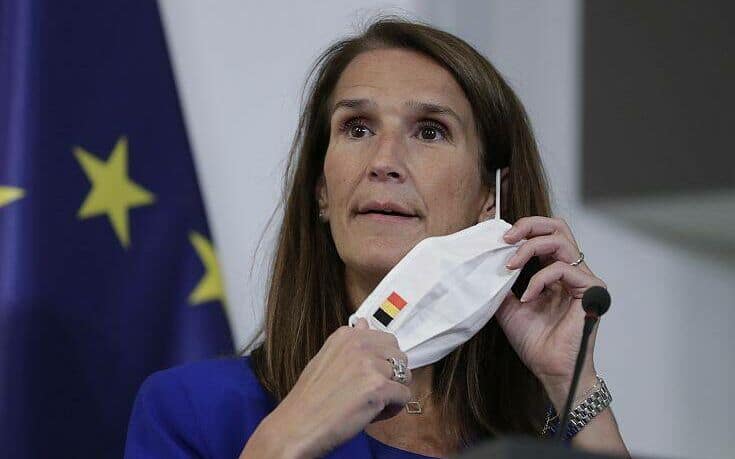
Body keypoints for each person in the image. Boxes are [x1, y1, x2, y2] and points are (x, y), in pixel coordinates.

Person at [124, 17, 629, 459]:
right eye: (358, 128)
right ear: (322, 190)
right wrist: (285, 438)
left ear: (489, 199)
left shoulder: (538, 439)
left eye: (429, 131)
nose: (384, 161)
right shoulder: (192, 409)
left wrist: (572, 379)